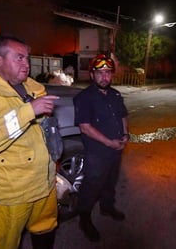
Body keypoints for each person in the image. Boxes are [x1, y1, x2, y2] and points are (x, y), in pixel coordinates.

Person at [0, 34, 59, 249]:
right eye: (19, 58)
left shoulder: (34, 87)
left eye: (27, 58)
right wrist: (28, 111)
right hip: (11, 192)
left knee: (45, 227)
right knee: (5, 242)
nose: (27, 65)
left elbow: (44, 132)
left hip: (44, 183)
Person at [73, 54, 129, 242]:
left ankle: (107, 207)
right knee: (92, 185)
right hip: (98, 153)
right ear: (92, 75)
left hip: (116, 149)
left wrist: (125, 134)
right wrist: (109, 143)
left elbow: (123, 115)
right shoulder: (84, 97)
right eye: (100, 73)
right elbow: (85, 127)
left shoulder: (115, 94)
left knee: (110, 181)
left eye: (107, 73)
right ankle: (84, 218)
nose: (104, 77)